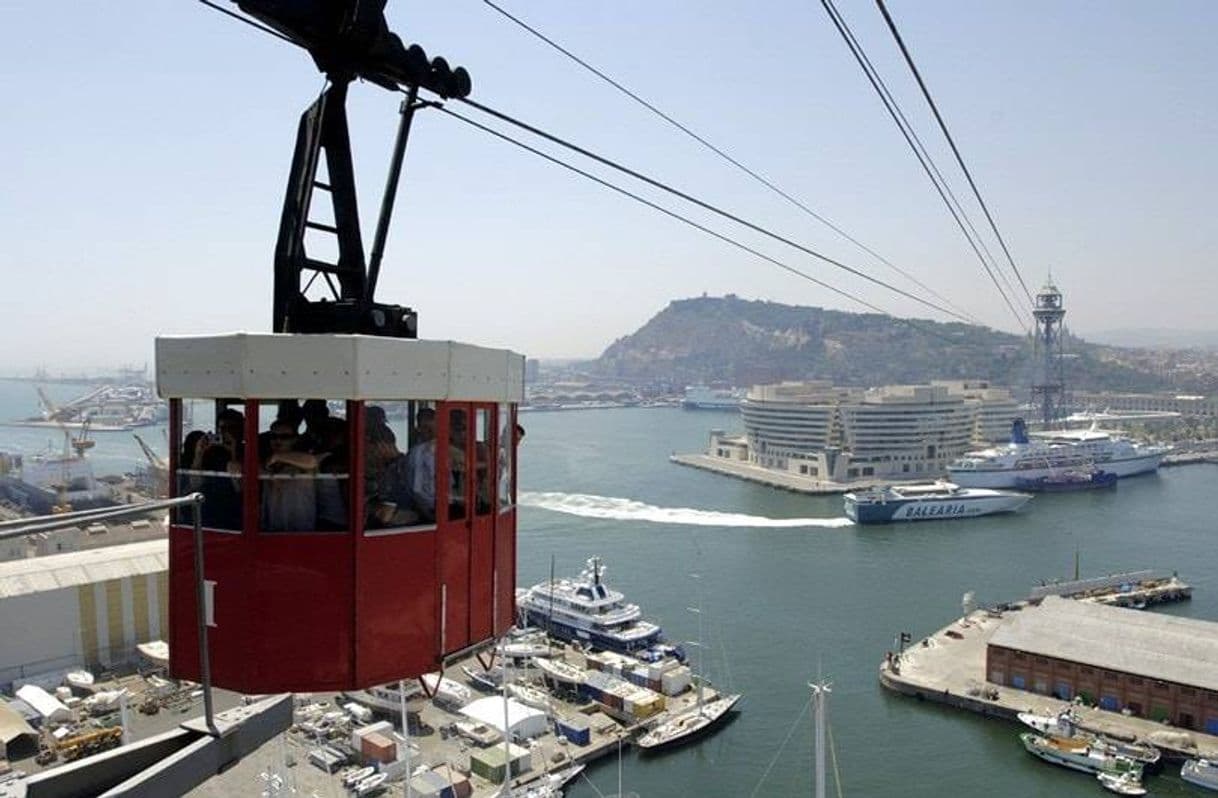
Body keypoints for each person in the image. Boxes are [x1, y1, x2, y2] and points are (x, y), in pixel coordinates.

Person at [260, 419, 318, 531]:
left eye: (285, 437)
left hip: (301, 529)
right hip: (272, 528)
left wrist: (278, 457)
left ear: (295, 439)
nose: (278, 440)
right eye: (273, 436)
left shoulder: (302, 460)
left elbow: (311, 462)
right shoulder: (267, 463)